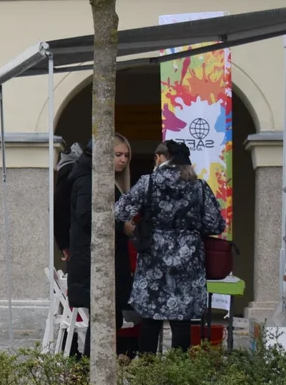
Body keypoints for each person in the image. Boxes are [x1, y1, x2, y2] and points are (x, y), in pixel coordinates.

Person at [115, 140, 226, 353]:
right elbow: (216, 224)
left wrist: (142, 224)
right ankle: (177, 375)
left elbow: (120, 212)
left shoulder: (148, 182)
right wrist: (190, 228)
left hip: (153, 256)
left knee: (150, 317)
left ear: (159, 157)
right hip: (189, 258)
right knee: (182, 319)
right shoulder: (199, 186)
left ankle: (148, 372)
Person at [65, 134, 134, 357]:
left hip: (99, 261)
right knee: (104, 322)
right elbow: (87, 217)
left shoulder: (96, 179)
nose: (123, 160)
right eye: (118, 154)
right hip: (94, 262)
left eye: (126, 155)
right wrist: (121, 226)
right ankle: (91, 375)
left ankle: (92, 375)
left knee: (107, 321)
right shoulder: (88, 180)